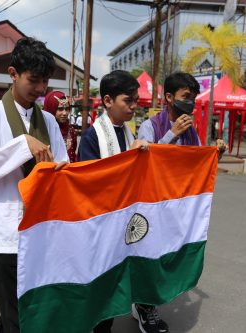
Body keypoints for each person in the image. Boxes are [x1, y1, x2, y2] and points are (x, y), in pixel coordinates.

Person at [0, 37, 69, 333]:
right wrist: (22, 146)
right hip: (9, 231)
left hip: (44, 227)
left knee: (29, 306)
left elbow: (63, 166)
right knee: (15, 313)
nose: (40, 89)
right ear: (13, 74)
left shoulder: (47, 119)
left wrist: (60, 170)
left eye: (45, 82)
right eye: (33, 80)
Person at [138, 72, 226, 332]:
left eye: (193, 97)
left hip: (178, 207)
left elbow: (197, 169)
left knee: (171, 256)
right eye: (185, 97)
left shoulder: (193, 132)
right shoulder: (150, 127)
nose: (191, 102)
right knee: (150, 257)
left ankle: (147, 302)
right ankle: (145, 307)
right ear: (169, 97)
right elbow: (145, 164)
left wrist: (214, 155)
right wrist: (171, 134)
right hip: (153, 206)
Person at [77, 70, 158, 333]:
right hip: (100, 223)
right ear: (108, 100)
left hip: (121, 222)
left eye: (136, 100)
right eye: (128, 101)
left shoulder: (125, 132)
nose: (134, 106)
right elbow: (88, 182)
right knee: (101, 287)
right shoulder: (92, 136)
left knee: (114, 286)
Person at [43, 91, 78, 162]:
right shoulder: (42, 129)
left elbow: (73, 157)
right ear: (51, 109)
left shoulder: (71, 130)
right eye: (60, 109)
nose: (65, 113)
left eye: (67, 109)